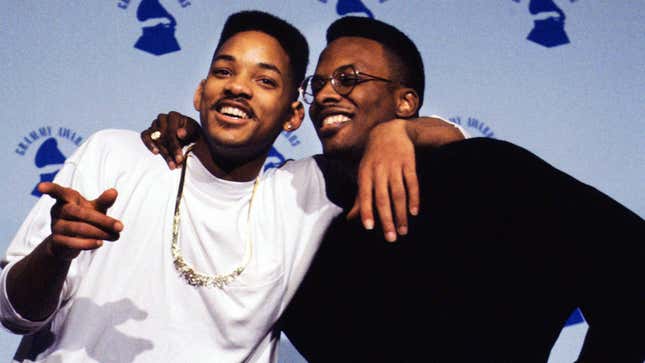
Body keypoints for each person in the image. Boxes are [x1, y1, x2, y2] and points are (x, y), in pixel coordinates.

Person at [143, 16, 644, 362]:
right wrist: (193, 133)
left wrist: (403, 133)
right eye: (318, 84)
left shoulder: (491, 174)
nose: (327, 95)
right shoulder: (303, 218)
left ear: (406, 100)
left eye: (349, 78)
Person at [2, 11, 457, 362]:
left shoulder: (307, 193)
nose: (238, 88)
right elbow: (12, 312)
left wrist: (396, 132)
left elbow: (463, 148)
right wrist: (55, 252)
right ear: (200, 93)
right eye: (224, 71)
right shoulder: (116, 155)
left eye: (265, 80)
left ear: (293, 115)